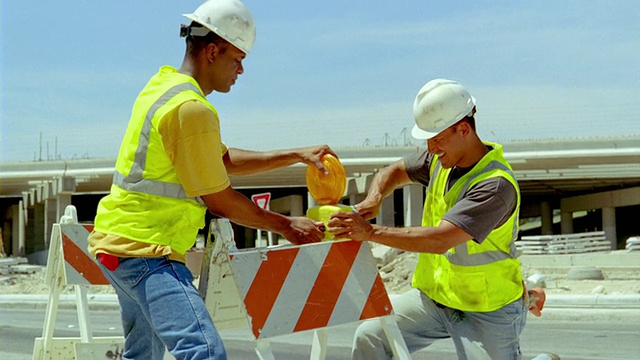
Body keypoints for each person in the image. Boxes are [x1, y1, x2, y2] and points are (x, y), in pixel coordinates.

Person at [87, 1, 331, 359]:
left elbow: (221, 159)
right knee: (203, 351)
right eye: (237, 58)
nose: (242, 69)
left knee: (143, 354)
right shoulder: (192, 110)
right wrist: (287, 225)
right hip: (147, 251)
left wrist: (295, 155)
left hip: (119, 242)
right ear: (213, 51)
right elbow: (219, 199)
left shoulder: (163, 87)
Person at [328, 78, 529, 359]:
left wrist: (370, 232)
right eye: (428, 140)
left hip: (486, 308)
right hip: (435, 299)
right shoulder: (438, 160)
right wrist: (375, 198)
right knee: (370, 338)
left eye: (436, 139)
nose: (431, 147)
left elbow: (440, 240)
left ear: (463, 129)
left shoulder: (494, 185)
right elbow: (392, 172)